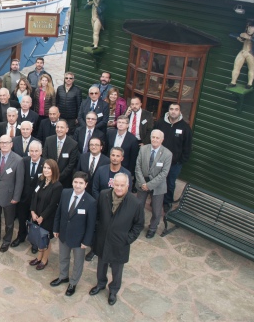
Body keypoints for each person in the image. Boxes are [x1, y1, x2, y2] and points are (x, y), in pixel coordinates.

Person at [90, 173, 144, 305]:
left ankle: (113, 290)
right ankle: (100, 284)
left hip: (120, 243)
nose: (119, 188)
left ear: (127, 186)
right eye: (117, 184)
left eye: (122, 185)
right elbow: (96, 214)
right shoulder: (104, 195)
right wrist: (97, 230)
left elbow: (139, 224)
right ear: (112, 184)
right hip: (103, 239)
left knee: (117, 269)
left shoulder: (135, 203)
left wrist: (128, 239)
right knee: (101, 264)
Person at [51, 171, 97, 296]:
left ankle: (73, 283)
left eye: (81, 183)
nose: (77, 185)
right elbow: (59, 212)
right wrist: (56, 228)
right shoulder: (65, 193)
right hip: (64, 234)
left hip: (79, 239)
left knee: (78, 262)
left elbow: (91, 224)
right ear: (72, 182)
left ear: (86, 185)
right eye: (75, 182)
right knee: (63, 257)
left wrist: (86, 241)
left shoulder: (90, 201)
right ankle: (63, 276)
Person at [0, 134, 25, 252]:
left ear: (11, 144)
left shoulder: (18, 159)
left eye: (6, 142)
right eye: (2, 142)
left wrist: (16, 197)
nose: (4, 145)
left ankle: (6, 241)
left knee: (9, 222)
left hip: (9, 195)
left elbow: (19, 181)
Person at [154, 103, 193, 211]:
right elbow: (153, 137)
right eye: (171, 109)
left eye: (176, 109)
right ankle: (155, 200)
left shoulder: (185, 128)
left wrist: (181, 160)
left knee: (170, 184)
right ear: (168, 111)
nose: (173, 111)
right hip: (158, 160)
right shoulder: (160, 123)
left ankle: (167, 202)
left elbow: (187, 146)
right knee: (156, 180)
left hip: (174, 164)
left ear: (180, 112)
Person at [135, 129, 172, 238]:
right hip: (142, 183)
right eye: (153, 137)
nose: (155, 139)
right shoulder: (143, 149)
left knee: (156, 210)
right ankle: (138, 225)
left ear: (162, 140)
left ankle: (152, 228)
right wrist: (142, 183)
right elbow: (138, 167)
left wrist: (149, 185)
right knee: (138, 207)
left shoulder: (167, 154)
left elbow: (164, 173)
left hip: (158, 186)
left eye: (157, 138)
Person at [28, 159, 63, 269]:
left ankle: (44, 260)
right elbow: (34, 196)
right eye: (44, 168)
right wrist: (32, 211)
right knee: (38, 238)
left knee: (45, 239)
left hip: (47, 218)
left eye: (49, 168)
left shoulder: (57, 186)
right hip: (36, 215)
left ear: (54, 170)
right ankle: (39, 257)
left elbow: (53, 205)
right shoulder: (40, 180)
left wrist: (42, 217)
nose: (46, 170)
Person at [13, 141, 45, 251]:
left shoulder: (45, 164)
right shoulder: (24, 161)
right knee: (22, 219)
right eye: (32, 151)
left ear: (41, 152)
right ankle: (21, 236)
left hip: (38, 200)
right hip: (24, 197)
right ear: (29, 152)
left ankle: (34, 242)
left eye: (36, 151)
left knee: (35, 222)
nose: (34, 153)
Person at [43, 120, 79, 188]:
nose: (59, 129)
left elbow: (71, 165)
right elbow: (45, 158)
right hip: (48, 177)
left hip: (64, 181)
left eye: (62, 127)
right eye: (57, 127)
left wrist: (58, 177)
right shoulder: (48, 140)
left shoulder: (73, 144)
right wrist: (50, 175)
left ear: (67, 129)